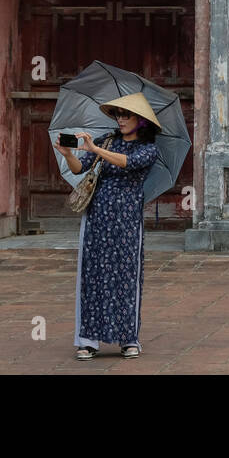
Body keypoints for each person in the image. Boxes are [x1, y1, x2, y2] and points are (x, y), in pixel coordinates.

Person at [53, 93, 162, 360]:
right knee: (93, 276)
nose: (121, 119)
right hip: (97, 216)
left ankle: (128, 339)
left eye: (127, 115)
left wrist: (96, 150)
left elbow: (127, 163)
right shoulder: (107, 140)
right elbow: (80, 169)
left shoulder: (148, 149)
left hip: (126, 220)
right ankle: (88, 340)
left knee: (126, 277)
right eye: (118, 115)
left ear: (141, 121)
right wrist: (69, 155)